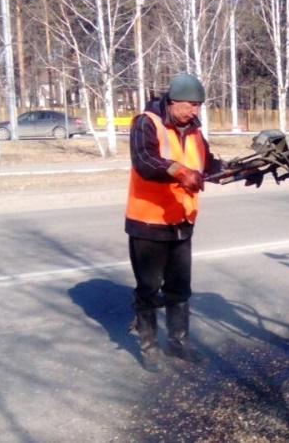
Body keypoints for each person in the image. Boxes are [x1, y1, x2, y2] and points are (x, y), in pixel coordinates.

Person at [125, 73, 225, 372]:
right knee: (149, 288)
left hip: (182, 220)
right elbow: (144, 160)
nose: (195, 111)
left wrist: (244, 171)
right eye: (190, 105)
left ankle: (179, 344)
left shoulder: (194, 132)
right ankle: (150, 349)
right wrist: (180, 171)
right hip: (149, 222)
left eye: (198, 106)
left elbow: (210, 166)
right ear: (173, 100)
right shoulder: (147, 122)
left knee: (180, 289)